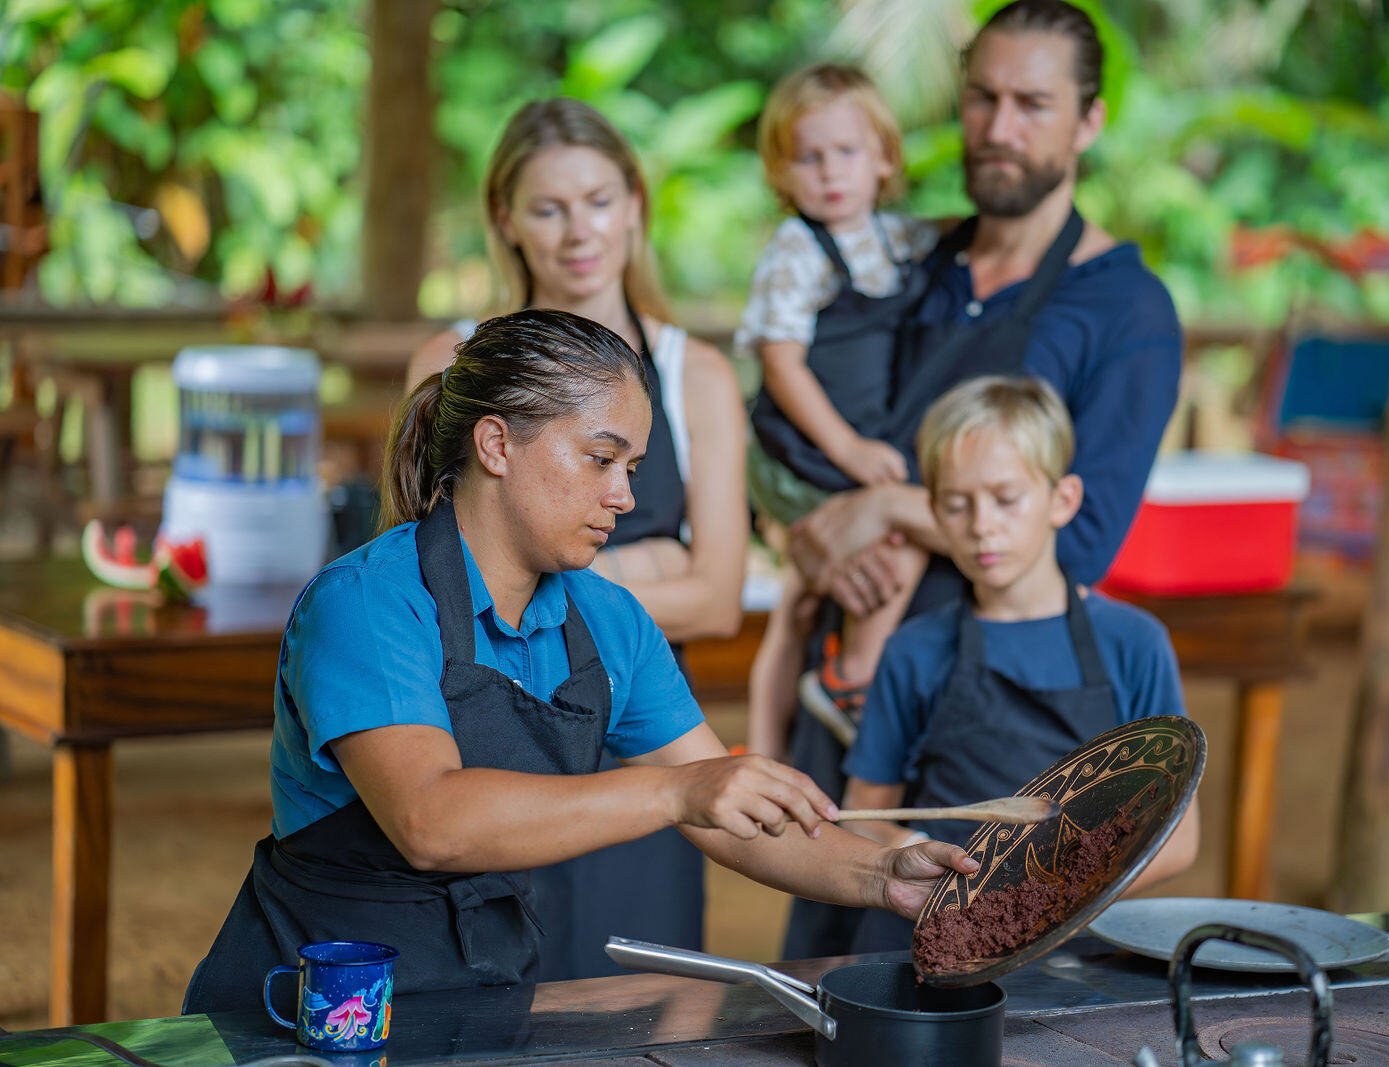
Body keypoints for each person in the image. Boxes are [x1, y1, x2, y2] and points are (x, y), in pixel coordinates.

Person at [183, 310, 977, 1013]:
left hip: (480, 994)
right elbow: (431, 820)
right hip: (316, 1008)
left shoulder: (609, 621)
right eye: (601, 459)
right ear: (496, 444)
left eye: (632, 467)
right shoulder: (367, 603)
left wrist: (883, 873)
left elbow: (734, 821)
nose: (625, 496)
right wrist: (677, 791)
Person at [782, 0, 1185, 958]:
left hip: (998, 753)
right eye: (983, 98)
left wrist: (882, 506)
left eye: (1033, 105)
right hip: (848, 696)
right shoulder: (910, 263)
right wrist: (803, 528)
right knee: (839, 982)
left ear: (1088, 121)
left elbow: (1081, 544)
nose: (1000, 129)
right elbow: (805, 425)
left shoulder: (1124, 307)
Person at [406, 99, 747, 980]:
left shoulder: (695, 373)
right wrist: (646, 560)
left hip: (639, 734)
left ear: (635, 204)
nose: (577, 232)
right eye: (548, 208)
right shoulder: (449, 365)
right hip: (479, 735)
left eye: (597, 200)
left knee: (640, 1002)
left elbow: (716, 599)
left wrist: (536, 571)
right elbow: (431, 579)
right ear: (506, 221)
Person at [838, 375, 1199, 951]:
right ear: (933, 510)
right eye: (956, 505)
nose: (982, 525)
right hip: (943, 933)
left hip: (1082, 942)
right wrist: (908, 850)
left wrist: (1045, 896)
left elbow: (1178, 841)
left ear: (1063, 500)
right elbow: (865, 813)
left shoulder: (1134, 643)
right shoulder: (916, 649)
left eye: (1006, 499)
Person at [736, 63, 940, 761]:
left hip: (837, 446)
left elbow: (949, 239)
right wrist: (849, 449)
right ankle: (853, 678)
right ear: (781, 172)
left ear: (884, 158)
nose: (829, 173)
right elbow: (781, 362)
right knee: (895, 536)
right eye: (808, 157)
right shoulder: (798, 249)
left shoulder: (893, 238)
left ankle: (765, 746)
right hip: (801, 449)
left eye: (847, 153)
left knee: (794, 606)